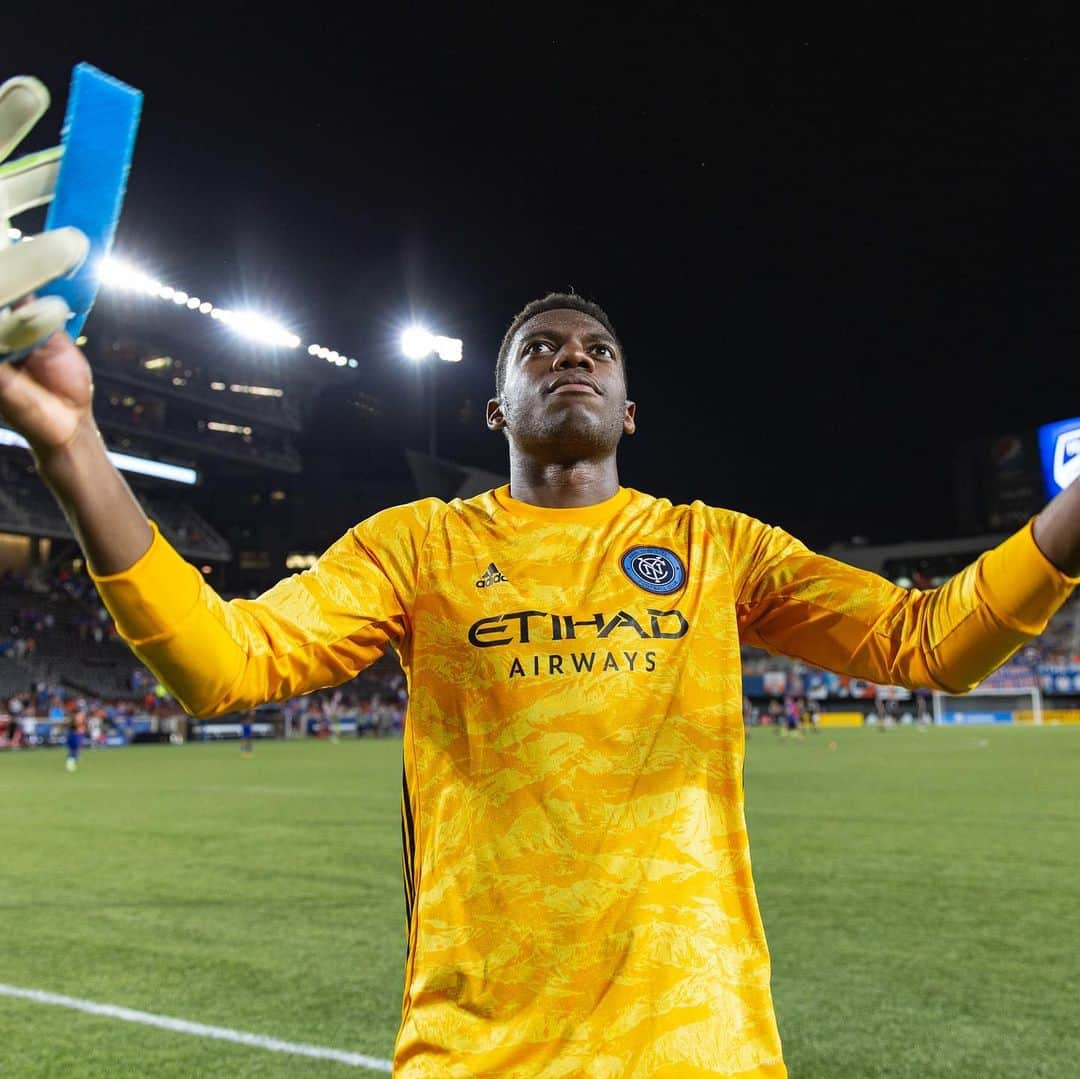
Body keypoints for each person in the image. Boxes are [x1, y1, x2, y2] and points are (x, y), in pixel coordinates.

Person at [2, 84, 1077, 1079]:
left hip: (704, 1050)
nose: (573, 357)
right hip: (477, 1054)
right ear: (496, 410)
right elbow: (219, 663)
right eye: (541, 349)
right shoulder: (414, 547)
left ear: (630, 409)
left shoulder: (715, 546)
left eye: (599, 350)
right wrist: (71, 440)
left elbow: (931, 642)